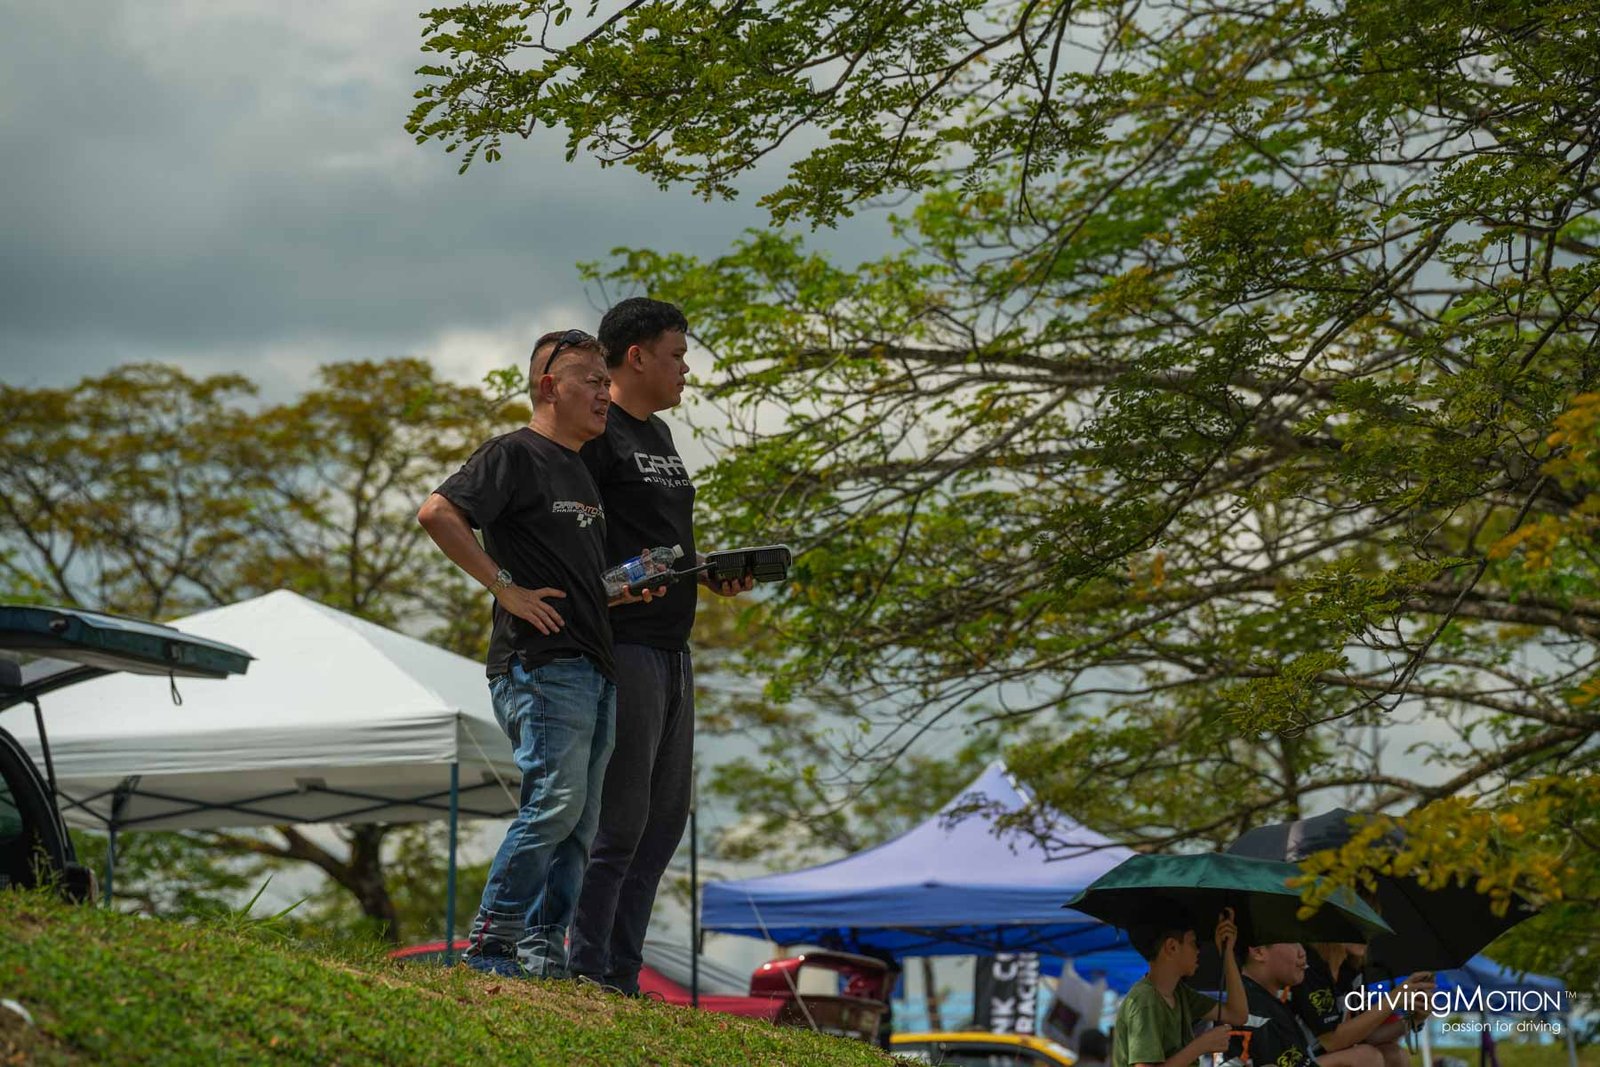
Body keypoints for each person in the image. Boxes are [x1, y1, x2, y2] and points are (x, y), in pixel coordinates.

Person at [418, 328, 658, 979]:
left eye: (607, 382)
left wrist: (620, 589)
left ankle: (541, 951)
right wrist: (505, 587)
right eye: (593, 381)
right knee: (554, 803)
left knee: (580, 820)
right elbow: (438, 513)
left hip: (594, 665)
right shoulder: (514, 453)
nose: (605, 393)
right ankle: (491, 943)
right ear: (550, 386)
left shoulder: (581, 469)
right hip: (544, 664)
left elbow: (573, 578)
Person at [569, 297, 753, 994]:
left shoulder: (663, 435)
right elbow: (577, 539)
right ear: (636, 356)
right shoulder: (598, 432)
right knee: (620, 820)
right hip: (625, 645)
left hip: (675, 647)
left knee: (665, 820)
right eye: (677, 355)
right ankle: (585, 967)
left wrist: (707, 573)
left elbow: (662, 545)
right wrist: (611, 589)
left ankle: (622, 970)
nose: (686, 369)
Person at [1111, 906, 1247, 1067]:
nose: (1198, 951)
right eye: (1193, 943)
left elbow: (1237, 1015)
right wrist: (1201, 1045)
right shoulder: (1145, 1000)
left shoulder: (1179, 993)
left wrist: (1227, 953)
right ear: (1172, 947)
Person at [1293, 942, 1433, 1067]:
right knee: (1366, 1057)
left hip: (1322, 1056)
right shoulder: (1308, 966)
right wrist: (1393, 999)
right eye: (1357, 927)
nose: (1364, 936)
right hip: (1296, 1060)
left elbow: (1366, 1037)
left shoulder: (1352, 969)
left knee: (1395, 1055)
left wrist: (1413, 1021)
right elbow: (1332, 1041)